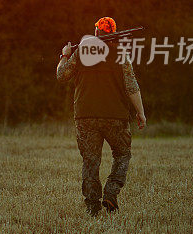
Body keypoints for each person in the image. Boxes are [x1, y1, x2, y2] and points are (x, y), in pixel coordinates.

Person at [56, 17, 146, 217]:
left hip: (86, 116)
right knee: (122, 155)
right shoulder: (121, 55)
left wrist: (64, 55)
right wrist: (140, 113)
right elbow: (132, 87)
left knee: (91, 161)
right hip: (116, 116)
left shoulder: (80, 53)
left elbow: (61, 75)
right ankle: (111, 192)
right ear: (115, 34)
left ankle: (92, 208)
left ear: (96, 33)